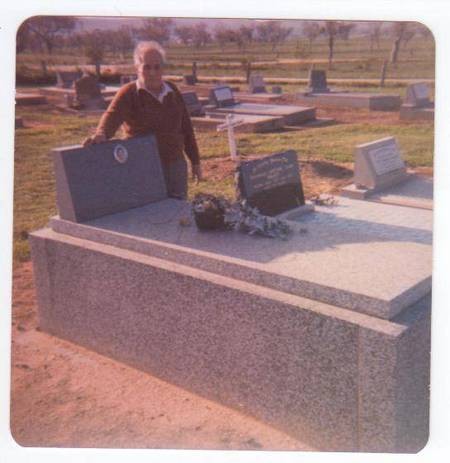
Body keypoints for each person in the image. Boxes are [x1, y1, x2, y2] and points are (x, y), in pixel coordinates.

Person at [83, 40, 202, 199]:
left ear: (163, 68)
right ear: (138, 68)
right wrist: (101, 133)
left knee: (177, 212)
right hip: (143, 166)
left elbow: (186, 128)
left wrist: (195, 161)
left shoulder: (172, 90)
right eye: (147, 67)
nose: (152, 72)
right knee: (150, 215)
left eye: (157, 66)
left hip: (175, 165)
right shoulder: (129, 93)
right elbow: (112, 115)